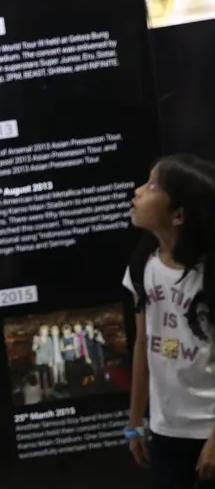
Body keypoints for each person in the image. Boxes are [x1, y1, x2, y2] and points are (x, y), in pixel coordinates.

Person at [124, 155, 215, 488]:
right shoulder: (142, 264)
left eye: (151, 186)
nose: (137, 192)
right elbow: (142, 344)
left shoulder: (208, 275)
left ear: (178, 214)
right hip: (166, 431)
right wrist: (136, 421)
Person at [32, 325, 55, 396]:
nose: (45, 332)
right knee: (41, 376)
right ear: (40, 331)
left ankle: (50, 391)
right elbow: (34, 350)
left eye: (46, 331)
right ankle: (42, 391)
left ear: (47, 332)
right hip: (39, 360)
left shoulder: (49, 339)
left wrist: (51, 360)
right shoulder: (36, 338)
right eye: (43, 330)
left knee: (49, 376)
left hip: (47, 360)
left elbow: (51, 350)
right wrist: (35, 347)